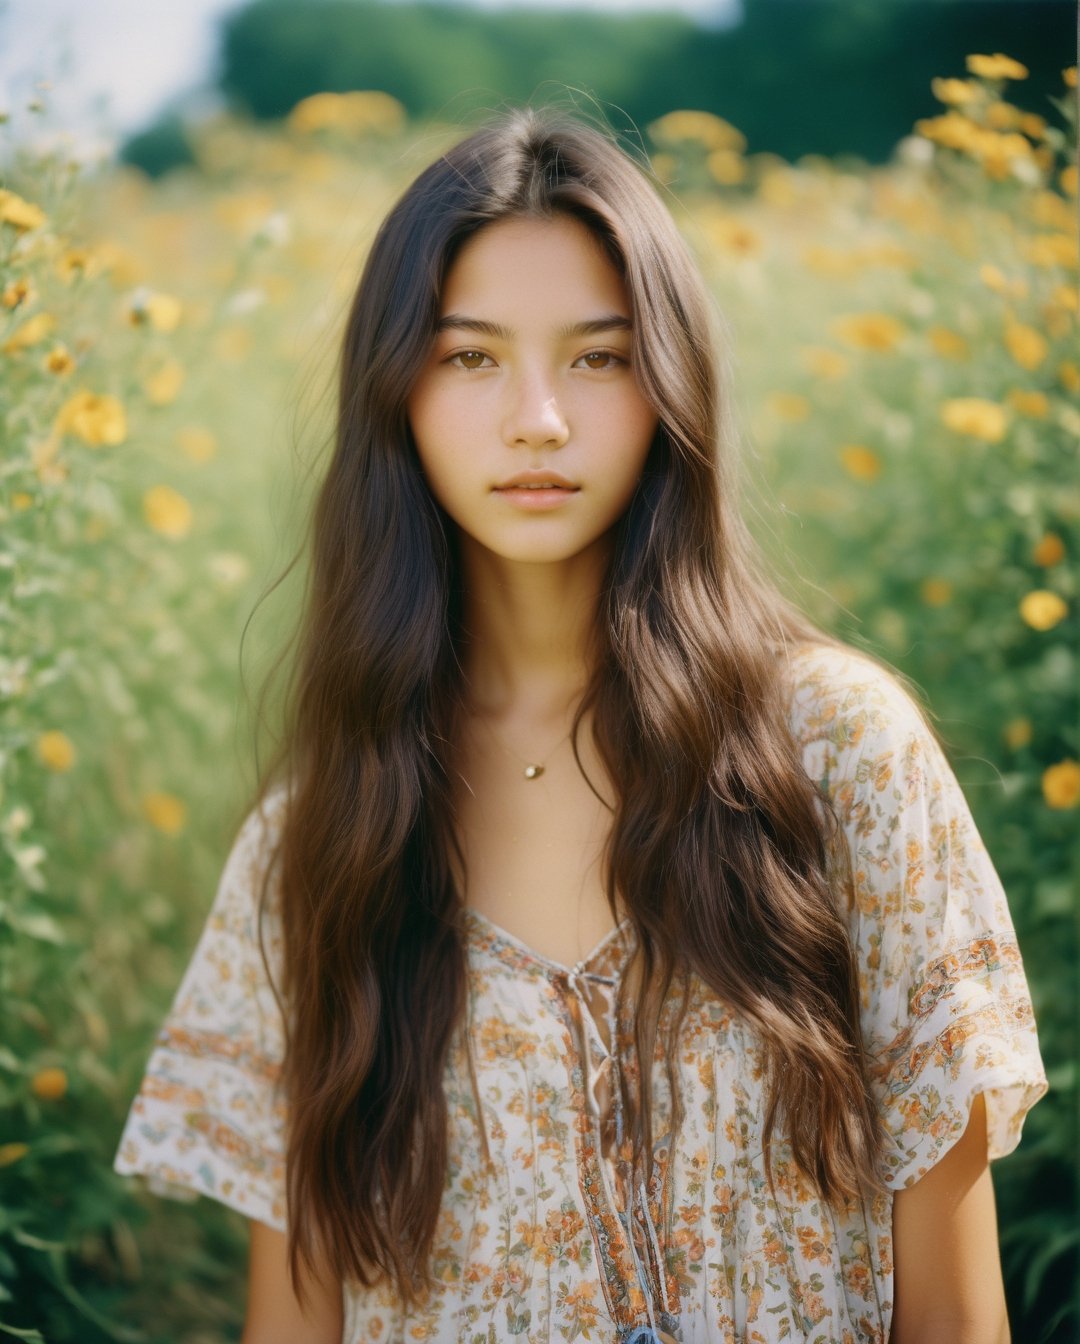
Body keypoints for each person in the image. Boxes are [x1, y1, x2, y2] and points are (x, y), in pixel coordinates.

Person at [114, 107, 1047, 1344]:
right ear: (394, 394)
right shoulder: (320, 837)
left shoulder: (835, 754)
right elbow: (298, 1320)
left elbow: (956, 1312)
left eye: (600, 357)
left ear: (670, 388)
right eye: (471, 358)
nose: (539, 419)